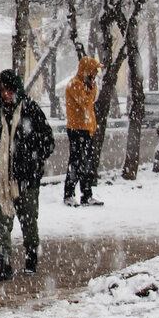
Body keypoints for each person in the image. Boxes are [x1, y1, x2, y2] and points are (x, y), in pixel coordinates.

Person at [0, 70, 56, 282]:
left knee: (29, 221)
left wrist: (33, 159)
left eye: (10, 89)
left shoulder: (31, 111)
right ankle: (4, 262)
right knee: (1, 223)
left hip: (27, 179)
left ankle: (31, 255)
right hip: (3, 179)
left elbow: (47, 141)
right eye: (2, 90)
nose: (6, 95)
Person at [64, 56, 104, 207]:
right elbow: (85, 102)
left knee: (87, 163)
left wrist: (91, 87)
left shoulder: (87, 85)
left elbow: (90, 101)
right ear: (87, 69)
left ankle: (86, 194)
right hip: (77, 129)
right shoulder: (75, 84)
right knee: (76, 162)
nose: (96, 72)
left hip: (87, 129)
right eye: (94, 69)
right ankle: (69, 194)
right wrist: (92, 87)